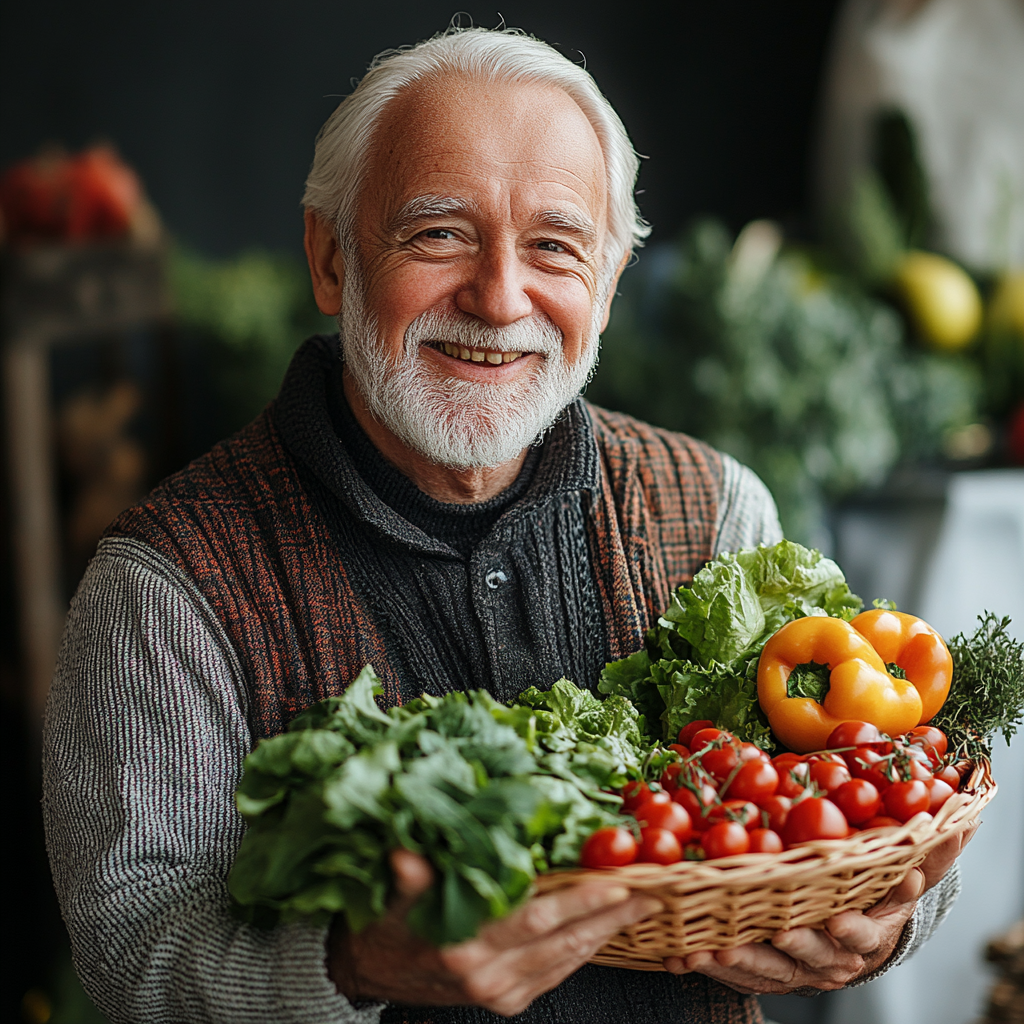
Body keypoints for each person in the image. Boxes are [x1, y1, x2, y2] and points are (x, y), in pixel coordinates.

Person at [43, 26, 968, 1024]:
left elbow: (862, 782)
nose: (498, 296)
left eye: (555, 247)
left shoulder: (714, 508)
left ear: (606, 288)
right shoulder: (168, 585)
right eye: (438, 232)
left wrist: (891, 916)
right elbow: (133, 945)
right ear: (329, 258)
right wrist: (351, 964)